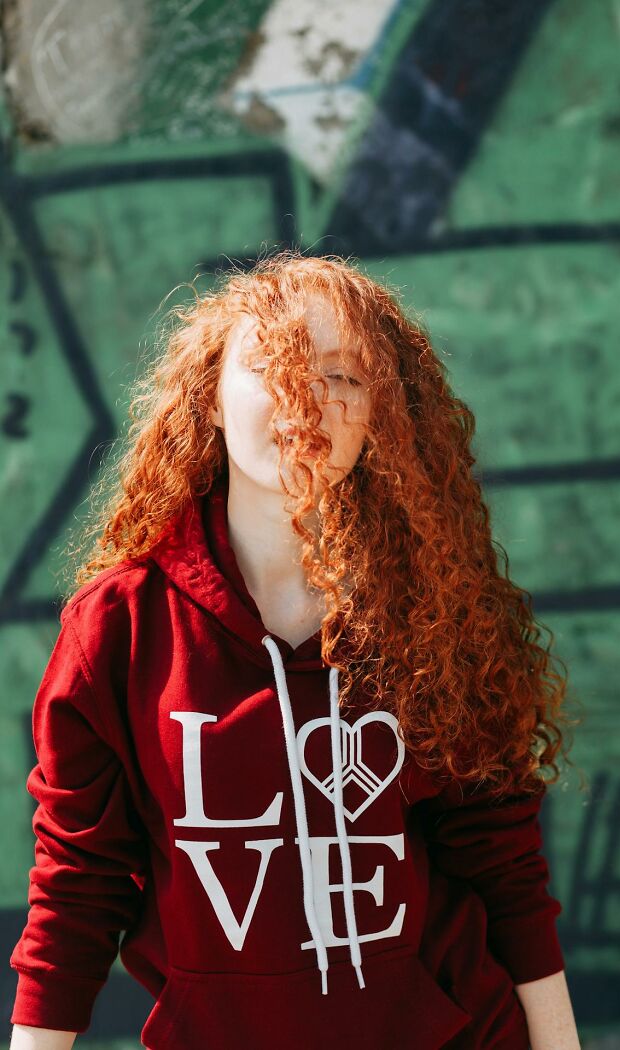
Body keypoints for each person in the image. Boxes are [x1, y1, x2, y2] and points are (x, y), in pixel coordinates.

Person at [8, 250, 582, 1049]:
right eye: (269, 364)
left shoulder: (432, 614)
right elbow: (78, 886)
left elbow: (504, 865)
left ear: (380, 418)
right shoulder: (121, 627)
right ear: (208, 400)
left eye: (345, 377)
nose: (307, 399)